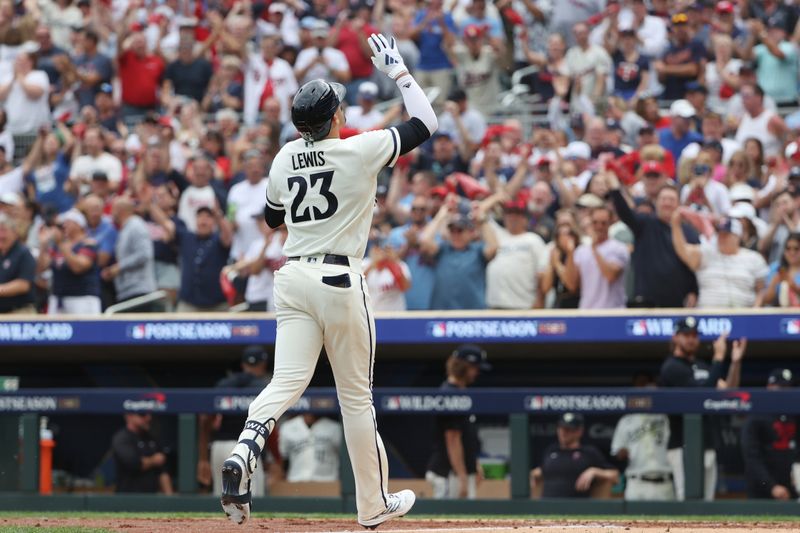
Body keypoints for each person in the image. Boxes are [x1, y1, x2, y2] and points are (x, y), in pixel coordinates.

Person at [220, 34, 437, 528]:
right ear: (336, 116)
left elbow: (274, 218)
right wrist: (400, 73)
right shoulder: (359, 149)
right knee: (355, 397)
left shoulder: (281, 157)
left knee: (286, 381)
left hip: (292, 275)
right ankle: (372, 505)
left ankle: (242, 451)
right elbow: (427, 122)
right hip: (339, 276)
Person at [657, 317, 747, 501]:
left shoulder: (702, 366)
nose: (691, 339)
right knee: (686, 500)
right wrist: (718, 358)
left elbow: (728, 390)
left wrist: (735, 363)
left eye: (694, 335)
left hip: (707, 442)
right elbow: (701, 394)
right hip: (683, 444)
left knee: (706, 501)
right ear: (675, 337)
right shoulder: (671, 367)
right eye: (686, 335)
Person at [197, 346, 277, 497]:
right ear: (263, 364)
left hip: (219, 446)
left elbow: (205, 420)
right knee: (252, 498)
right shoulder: (263, 387)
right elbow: (270, 426)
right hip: (248, 446)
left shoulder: (224, 384)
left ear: (243, 364)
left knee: (222, 497)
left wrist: (202, 458)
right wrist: (276, 459)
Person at [608, 175, 699, 307]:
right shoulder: (645, 223)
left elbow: (693, 265)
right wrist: (615, 189)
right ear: (656, 202)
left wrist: (693, 290)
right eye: (663, 199)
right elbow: (625, 213)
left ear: (678, 203)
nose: (667, 203)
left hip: (679, 302)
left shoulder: (689, 232)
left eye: (671, 199)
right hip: (646, 302)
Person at [425, 344, 489, 499]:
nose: (477, 372)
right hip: (449, 473)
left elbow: (466, 437)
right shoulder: (449, 393)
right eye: (474, 367)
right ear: (463, 366)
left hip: (459, 472)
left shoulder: (461, 393)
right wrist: (462, 477)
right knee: (445, 521)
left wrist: (474, 465)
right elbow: (452, 438)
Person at [672, 210, 768, 308]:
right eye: (720, 234)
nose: (721, 238)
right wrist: (675, 225)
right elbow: (682, 249)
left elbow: (761, 289)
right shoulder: (707, 253)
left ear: (737, 236)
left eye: (726, 235)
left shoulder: (754, 258)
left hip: (743, 316)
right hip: (710, 318)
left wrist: (755, 311)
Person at [611, 374, 674, 501]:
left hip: (664, 482)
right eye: (641, 386)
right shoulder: (627, 420)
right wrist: (623, 452)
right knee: (633, 521)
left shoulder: (665, 417)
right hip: (637, 482)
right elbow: (617, 451)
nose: (645, 389)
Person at [531, 413, 619, 498]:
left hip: (577, 508)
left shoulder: (588, 452)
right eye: (561, 428)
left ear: (579, 431)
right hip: (547, 507)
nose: (564, 433)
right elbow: (539, 473)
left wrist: (595, 471)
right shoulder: (551, 450)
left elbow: (615, 476)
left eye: (568, 429)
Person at [741, 368, 798, 500]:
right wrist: (771, 486)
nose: (785, 391)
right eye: (781, 387)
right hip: (762, 489)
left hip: (790, 487)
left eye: (788, 387)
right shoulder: (756, 415)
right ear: (770, 386)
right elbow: (751, 457)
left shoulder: (794, 414)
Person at [486, 196, 548, 309]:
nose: (512, 218)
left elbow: (542, 273)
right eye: (509, 214)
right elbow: (479, 214)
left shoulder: (533, 240)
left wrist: (540, 300)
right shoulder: (497, 236)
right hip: (495, 306)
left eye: (517, 214)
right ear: (504, 217)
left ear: (525, 218)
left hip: (523, 305)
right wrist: (497, 197)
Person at [37, 208, 101, 315]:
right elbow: (40, 269)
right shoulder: (57, 246)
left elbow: (78, 268)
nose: (64, 226)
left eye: (68, 222)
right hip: (58, 299)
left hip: (82, 298)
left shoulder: (88, 244)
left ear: (79, 225)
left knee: (86, 331)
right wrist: (43, 245)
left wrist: (61, 244)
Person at [565, 205, 629, 309]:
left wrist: (595, 248)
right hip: (587, 312)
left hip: (613, 313)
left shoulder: (619, 248)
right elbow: (571, 285)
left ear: (610, 223)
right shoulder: (581, 251)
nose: (599, 227)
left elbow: (610, 276)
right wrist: (570, 253)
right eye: (595, 222)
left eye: (603, 223)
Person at [101, 197, 158, 311]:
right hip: (127, 291)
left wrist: (119, 267)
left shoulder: (136, 225)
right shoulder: (125, 228)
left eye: (113, 209)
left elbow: (145, 254)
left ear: (120, 210)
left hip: (139, 291)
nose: (111, 213)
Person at [111, 411, 174, 494]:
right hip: (127, 498)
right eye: (142, 414)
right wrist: (154, 460)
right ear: (129, 416)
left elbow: (163, 471)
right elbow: (133, 464)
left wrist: (170, 498)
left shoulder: (151, 438)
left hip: (151, 497)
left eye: (149, 414)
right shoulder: (122, 438)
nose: (148, 418)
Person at [278, 413, 343, 482]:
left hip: (327, 482)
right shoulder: (288, 426)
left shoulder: (334, 427)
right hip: (296, 481)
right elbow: (281, 457)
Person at [0, 212, 36, 313]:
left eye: (4, 230)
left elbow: (23, 285)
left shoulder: (23, 253)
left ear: (14, 233)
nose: (1, 235)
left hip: (19, 312)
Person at [762, 233, 800, 307]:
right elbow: (766, 300)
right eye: (788, 248)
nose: (792, 252)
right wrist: (774, 283)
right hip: (778, 315)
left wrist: (793, 286)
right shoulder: (775, 267)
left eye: (796, 249)